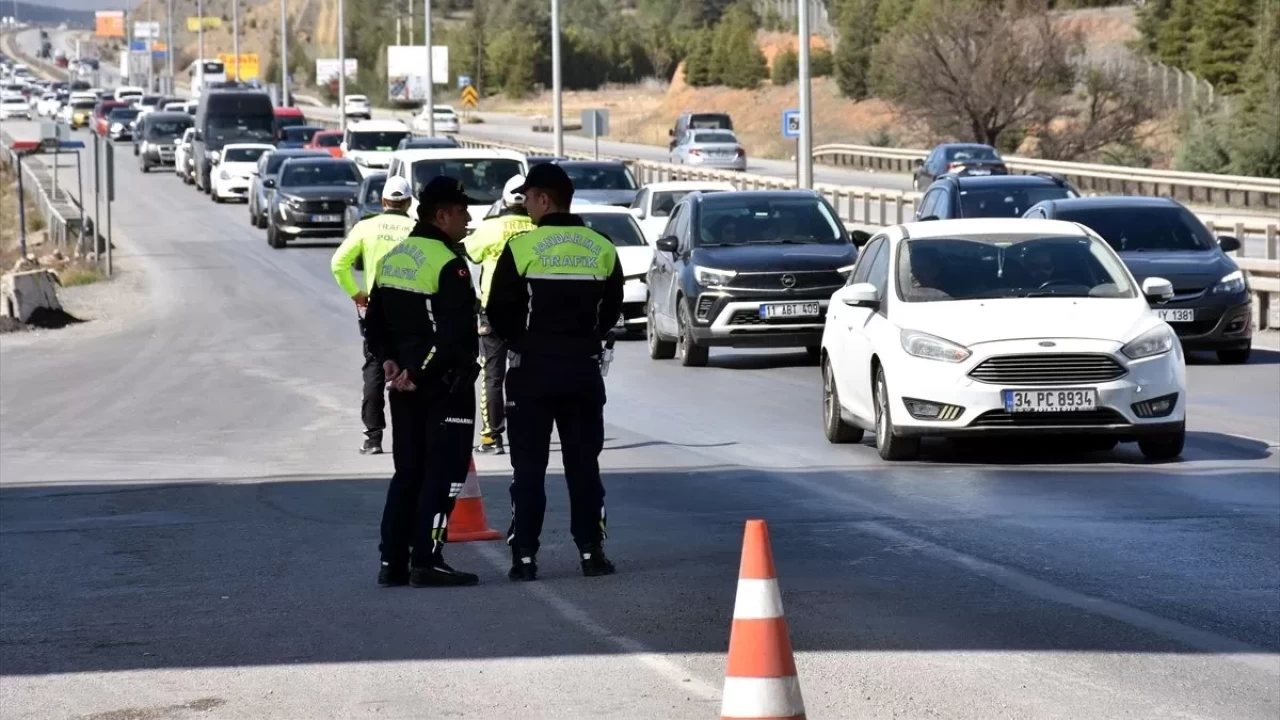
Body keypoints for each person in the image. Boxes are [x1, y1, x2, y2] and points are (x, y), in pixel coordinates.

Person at [485, 163, 624, 582]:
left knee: (528, 469)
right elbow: (611, 309)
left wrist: (525, 343)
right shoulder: (601, 246)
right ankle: (591, 554)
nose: (524, 204)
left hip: (532, 373)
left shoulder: (522, 248)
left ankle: (524, 558)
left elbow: (497, 311)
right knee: (584, 467)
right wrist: (583, 340)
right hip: (582, 371)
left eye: (528, 197)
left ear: (545, 199)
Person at [363, 176, 482, 588]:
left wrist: (392, 363)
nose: (468, 218)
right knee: (444, 474)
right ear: (442, 214)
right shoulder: (450, 263)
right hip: (442, 386)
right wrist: (420, 371)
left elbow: (374, 323)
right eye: (463, 211)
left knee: (408, 472)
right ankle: (427, 560)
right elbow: (452, 333)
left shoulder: (395, 256)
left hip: (402, 385)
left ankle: (391, 562)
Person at [330, 176, 416, 455]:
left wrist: (355, 293)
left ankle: (373, 437)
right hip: (410, 307)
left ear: (382, 202)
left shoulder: (366, 227)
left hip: (375, 308)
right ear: (409, 202)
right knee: (410, 368)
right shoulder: (417, 228)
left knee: (375, 368)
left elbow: (339, 262)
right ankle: (411, 435)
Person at [462, 175, 535, 456]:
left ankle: (493, 438)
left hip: (493, 311)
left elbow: (471, 254)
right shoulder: (538, 228)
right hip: (529, 311)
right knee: (525, 374)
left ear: (504, 200)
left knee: (492, 375)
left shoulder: (490, 227)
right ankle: (525, 432)